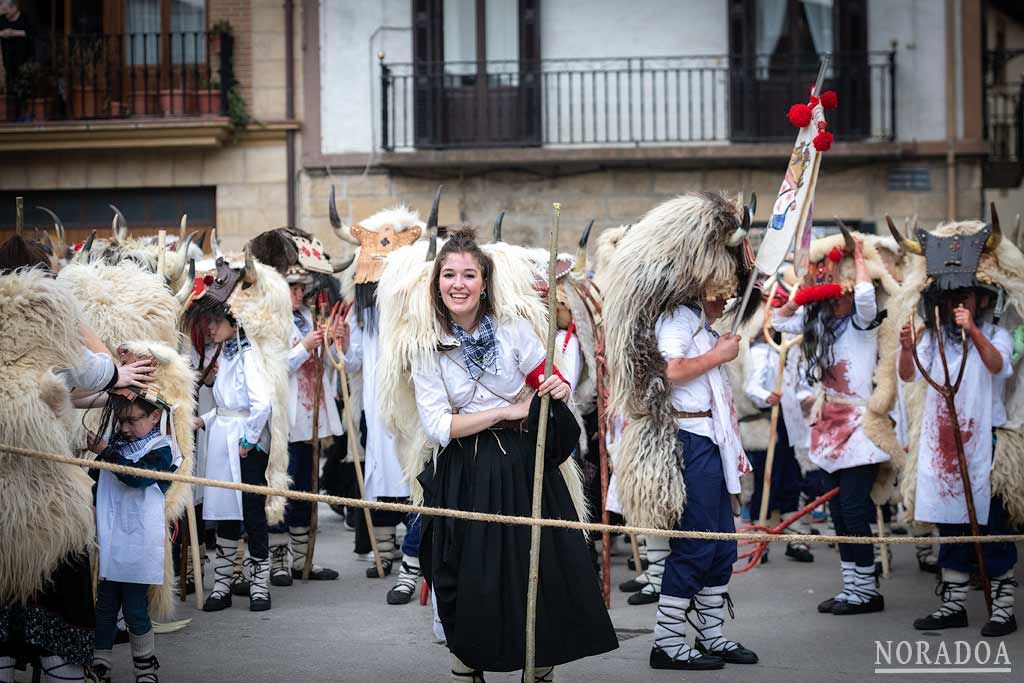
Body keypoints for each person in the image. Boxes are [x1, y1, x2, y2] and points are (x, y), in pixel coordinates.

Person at [378, 226, 618, 681]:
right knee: (472, 580)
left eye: (469, 274)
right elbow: (438, 426)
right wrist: (505, 411)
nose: (458, 284)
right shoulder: (426, 346)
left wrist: (557, 385)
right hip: (465, 475)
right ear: (437, 283)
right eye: (448, 275)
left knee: (539, 573)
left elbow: (545, 376)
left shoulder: (511, 329)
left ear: (484, 282)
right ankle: (469, 666)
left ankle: (537, 670)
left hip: (526, 471)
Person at [603, 192, 759, 671]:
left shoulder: (697, 318)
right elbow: (667, 370)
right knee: (695, 544)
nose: (727, 295)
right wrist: (717, 355)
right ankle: (668, 642)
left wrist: (713, 338)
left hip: (708, 442)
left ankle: (710, 633)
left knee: (720, 545)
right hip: (686, 441)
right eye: (722, 287)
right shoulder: (677, 315)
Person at [0, 235, 153, 683]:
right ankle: (59, 666)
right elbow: (89, 368)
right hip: (44, 485)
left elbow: (64, 391)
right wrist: (119, 374)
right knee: (58, 577)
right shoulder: (44, 309)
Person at [892, 215, 1019, 637]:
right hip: (943, 448)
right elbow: (910, 376)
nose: (955, 306)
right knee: (952, 530)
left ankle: (1002, 609)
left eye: (964, 298)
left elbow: (998, 366)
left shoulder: (996, 333)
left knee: (992, 530)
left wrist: (973, 333)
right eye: (949, 300)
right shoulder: (931, 338)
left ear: (982, 300)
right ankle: (954, 605)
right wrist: (907, 349)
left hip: (986, 448)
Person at [774, 229, 894, 616]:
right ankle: (854, 588)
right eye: (834, 294)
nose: (837, 300)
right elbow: (780, 318)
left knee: (856, 509)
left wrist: (857, 258)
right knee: (841, 514)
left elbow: (862, 297)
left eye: (839, 293)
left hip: (860, 426)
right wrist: (807, 285)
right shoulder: (819, 321)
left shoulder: (865, 320)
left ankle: (865, 591)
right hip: (828, 426)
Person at [184, 251, 291, 613]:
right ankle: (223, 583)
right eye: (208, 321)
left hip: (245, 443)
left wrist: (247, 440)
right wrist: (204, 420)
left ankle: (259, 584)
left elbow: (260, 404)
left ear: (233, 319)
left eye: (215, 321)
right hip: (223, 438)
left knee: (251, 510)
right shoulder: (225, 353)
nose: (210, 328)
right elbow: (225, 405)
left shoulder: (249, 354)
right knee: (226, 511)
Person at [333, 196, 426, 576]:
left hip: (412, 406)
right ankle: (383, 550)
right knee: (382, 475)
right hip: (376, 405)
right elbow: (354, 363)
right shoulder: (362, 311)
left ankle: (413, 556)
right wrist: (339, 345)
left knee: (416, 475)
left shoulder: (416, 306)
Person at [88, 394, 180, 683]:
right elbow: (96, 479)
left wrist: (105, 452)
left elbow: (135, 477)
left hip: (140, 539)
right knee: (104, 605)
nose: (125, 428)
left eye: (132, 420)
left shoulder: (163, 448)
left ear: (155, 417)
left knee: (134, 607)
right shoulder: (115, 442)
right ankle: (100, 663)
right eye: (121, 420)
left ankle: (145, 667)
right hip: (110, 535)